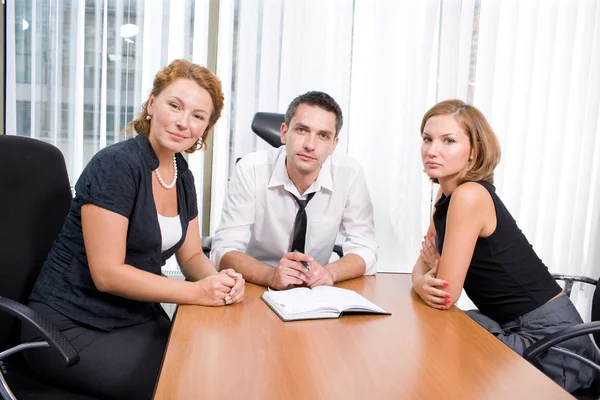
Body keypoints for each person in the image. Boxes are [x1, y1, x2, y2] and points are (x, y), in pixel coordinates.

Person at [22, 59, 245, 400]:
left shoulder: (180, 174)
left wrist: (220, 282)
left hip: (130, 318)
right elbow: (107, 274)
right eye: (175, 106)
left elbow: (190, 256)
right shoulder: (117, 164)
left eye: (198, 116)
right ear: (152, 104)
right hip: (68, 327)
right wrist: (198, 293)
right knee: (189, 385)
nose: (184, 123)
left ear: (205, 128)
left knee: (220, 363)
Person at [411, 99, 597, 392]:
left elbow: (444, 294)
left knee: (441, 361)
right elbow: (423, 263)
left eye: (448, 141)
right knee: (438, 347)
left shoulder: (468, 196)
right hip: (515, 328)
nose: (432, 150)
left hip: (554, 343)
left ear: (474, 152)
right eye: (427, 139)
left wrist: (424, 280)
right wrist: (422, 281)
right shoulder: (446, 197)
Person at [210, 91, 378, 290]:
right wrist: (272, 276)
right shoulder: (251, 170)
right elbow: (223, 249)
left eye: (323, 136)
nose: (310, 145)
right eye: (301, 130)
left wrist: (330, 272)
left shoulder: (349, 174)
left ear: (334, 145)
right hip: (258, 284)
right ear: (284, 132)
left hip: (316, 287)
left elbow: (365, 247)